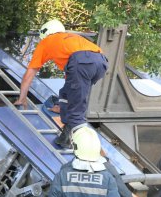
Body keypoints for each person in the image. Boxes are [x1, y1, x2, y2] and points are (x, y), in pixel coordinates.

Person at [15, 19, 108, 148]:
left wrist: (22, 98)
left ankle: (79, 145)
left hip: (82, 62)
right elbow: (71, 83)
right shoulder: (71, 39)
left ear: (45, 33)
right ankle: (64, 116)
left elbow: (29, 74)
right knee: (66, 93)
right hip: (101, 63)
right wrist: (63, 107)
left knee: (77, 110)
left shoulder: (47, 42)